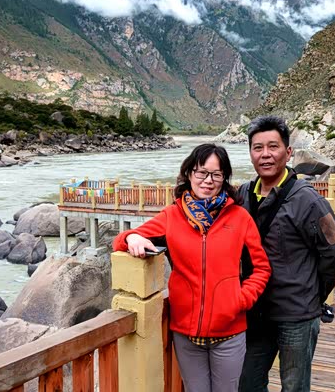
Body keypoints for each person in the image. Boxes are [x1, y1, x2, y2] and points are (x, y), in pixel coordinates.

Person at [112, 143, 271, 392]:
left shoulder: (240, 218)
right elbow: (121, 240)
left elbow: (261, 268)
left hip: (229, 333)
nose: (208, 180)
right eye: (201, 172)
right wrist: (132, 237)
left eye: (216, 174)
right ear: (189, 173)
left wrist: (240, 300)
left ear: (224, 178)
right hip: (186, 335)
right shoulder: (172, 215)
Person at [237, 116, 335, 392]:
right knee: (247, 383)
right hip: (256, 312)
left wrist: (313, 294)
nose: (265, 154)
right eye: (258, 147)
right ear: (250, 153)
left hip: (296, 314)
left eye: (273, 146)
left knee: (294, 387)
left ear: (288, 153)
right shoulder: (243, 194)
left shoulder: (307, 200)